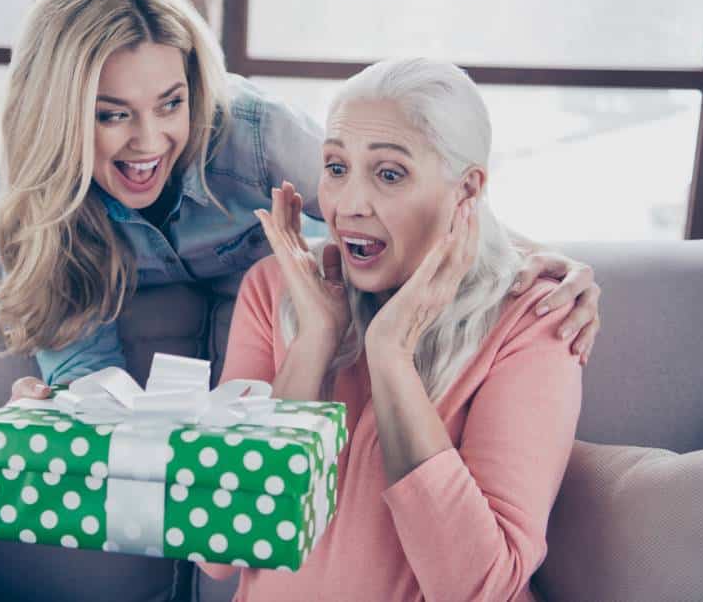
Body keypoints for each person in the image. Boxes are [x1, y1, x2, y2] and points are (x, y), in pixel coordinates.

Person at [0, 0, 600, 408]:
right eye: (111, 114)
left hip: (305, 305)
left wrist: (533, 258)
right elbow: (85, 371)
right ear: (58, 117)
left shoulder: (250, 132)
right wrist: (65, 409)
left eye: (170, 104)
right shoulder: (36, 199)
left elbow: (397, 204)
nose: (149, 141)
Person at [197, 59, 582, 602]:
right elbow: (217, 547)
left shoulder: (533, 320)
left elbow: (479, 589)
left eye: (389, 173)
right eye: (335, 167)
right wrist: (312, 345)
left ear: (466, 190)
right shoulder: (276, 289)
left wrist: (391, 356)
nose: (350, 204)